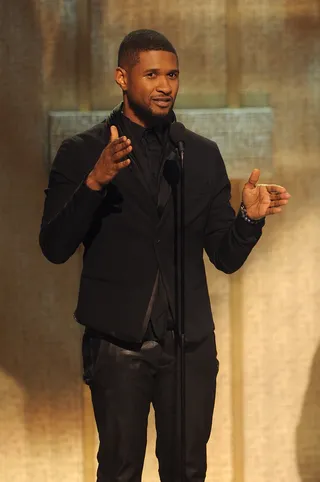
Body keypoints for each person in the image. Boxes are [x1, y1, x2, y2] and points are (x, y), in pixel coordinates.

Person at [39, 29, 290, 482]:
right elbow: (54, 247)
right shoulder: (81, 153)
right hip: (117, 344)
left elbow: (224, 256)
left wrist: (249, 221)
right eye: (151, 73)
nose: (165, 86)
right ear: (121, 76)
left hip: (189, 347)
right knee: (119, 471)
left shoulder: (200, 154)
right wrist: (94, 183)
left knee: (188, 471)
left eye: (172, 75)